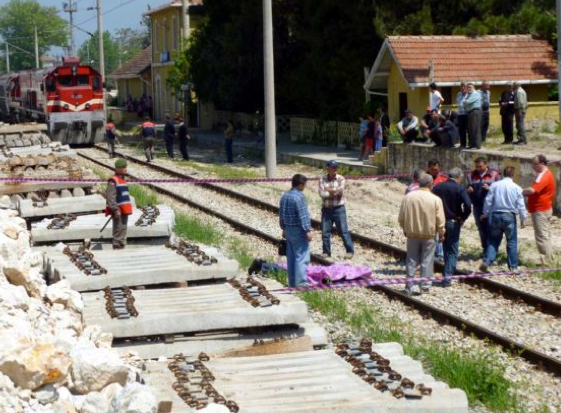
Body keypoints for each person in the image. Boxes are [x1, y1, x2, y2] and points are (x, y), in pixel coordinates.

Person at [398, 174, 445, 295]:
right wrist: (441, 233)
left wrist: (404, 228)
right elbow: (440, 220)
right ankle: (424, 287)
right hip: (429, 234)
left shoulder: (408, 197)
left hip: (412, 234)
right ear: (431, 185)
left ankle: (409, 286)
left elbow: (401, 217)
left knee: (411, 260)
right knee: (427, 261)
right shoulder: (435, 199)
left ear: (419, 183)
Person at [480, 166, 527, 272]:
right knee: (511, 241)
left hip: (496, 215)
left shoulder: (495, 185)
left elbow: (488, 201)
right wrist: (523, 219)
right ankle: (513, 267)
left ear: (502, 174)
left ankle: (487, 261)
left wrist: (485, 213)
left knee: (493, 240)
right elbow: (521, 205)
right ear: (514, 175)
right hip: (510, 216)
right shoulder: (517, 188)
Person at [433, 168, 472, 287]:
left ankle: (447, 270)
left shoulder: (438, 187)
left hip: (438, 221)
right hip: (453, 221)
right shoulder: (460, 188)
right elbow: (468, 205)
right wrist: (463, 217)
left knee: (445, 247)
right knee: (452, 249)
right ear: (459, 177)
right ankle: (447, 277)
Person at [280, 174, 313, 287]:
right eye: (304, 185)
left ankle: (292, 282)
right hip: (298, 231)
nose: (304, 187)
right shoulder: (299, 197)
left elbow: (281, 214)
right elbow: (303, 215)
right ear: (300, 184)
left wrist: (283, 228)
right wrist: (307, 230)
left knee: (291, 257)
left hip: (288, 229)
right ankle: (301, 284)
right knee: (301, 257)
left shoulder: (285, 195)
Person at [522, 155, 556, 264]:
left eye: (535, 164)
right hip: (543, 208)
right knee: (545, 235)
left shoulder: (543, 176)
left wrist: (517, 191)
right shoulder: (545, 174)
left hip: (540, 209)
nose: (533, 166)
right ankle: (550, 259)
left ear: (542, 164)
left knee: (541, 236)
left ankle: (546, 261)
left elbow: (532, 190)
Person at [318, 160, 354, 259]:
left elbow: (340, 191)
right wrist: (332, 192)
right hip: (326, 209)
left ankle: (350, 251)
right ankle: (326, 252)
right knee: (325, 232)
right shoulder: (322, 179)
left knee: (343, 231)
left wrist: (328, 191)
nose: (333, 170)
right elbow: (322, 194)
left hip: (339, 208)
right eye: (331, 168)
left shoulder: (341, 179)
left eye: (335, 168)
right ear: (328, 169)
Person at [466, 157, 501, 253]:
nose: (478, 168)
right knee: (481, 229)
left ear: (486, 164)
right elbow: (467, 188)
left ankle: (493, 250)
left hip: (491, 207)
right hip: (477, 206)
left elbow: (500, 190)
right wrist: (469, 190)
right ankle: (485, 249)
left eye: (480, 166)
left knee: (492, 229)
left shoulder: (495, 175)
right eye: (477, 167)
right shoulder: (471, 175)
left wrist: (490, 188)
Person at [105, 159, 133, 250]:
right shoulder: (113, 181)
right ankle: (117, 249)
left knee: (123, 230)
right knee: (118, 231)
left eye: (126, 167)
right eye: (123, 167)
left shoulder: (122, 179)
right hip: (118, 211)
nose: (125, 168)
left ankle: (121, 247)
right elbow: (110, 197)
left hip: (124, 210)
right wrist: (115, 209)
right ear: (117, 168)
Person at [463, 82, 482, 149]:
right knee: (470, 129)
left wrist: (465, 101)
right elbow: (463, 103)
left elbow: (467, 102)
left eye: (470, 87)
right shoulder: (468, 94)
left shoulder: (475, 94)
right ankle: (471, 144)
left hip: (475, 111)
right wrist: (465, 100)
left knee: (475, 128)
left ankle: (476, 145)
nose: (469, 89)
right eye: (468, 87)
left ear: (473, 87)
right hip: (470, 112)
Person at [456, 82, 469, 148]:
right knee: (461, 130)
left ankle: (470, 144)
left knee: (468, 130)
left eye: (464, 86)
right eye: (461, 86)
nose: (463, 88)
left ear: (466, 87)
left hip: (467, 114)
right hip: (460, 114)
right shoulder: (459, 94)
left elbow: (467, 103)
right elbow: (458, 102)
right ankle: (462, 144)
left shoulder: (469, 94)